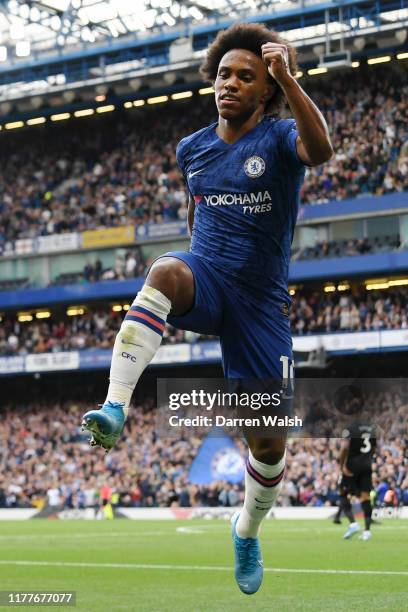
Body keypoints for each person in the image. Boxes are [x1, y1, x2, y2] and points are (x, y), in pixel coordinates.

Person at [82, 22, 333, 594]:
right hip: (210, 278)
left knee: (268, 446)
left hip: (261, 306)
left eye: (247, 76)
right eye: (224, 74)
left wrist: (290, 79)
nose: (231, 84)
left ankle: (245, 530)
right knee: (167, 269)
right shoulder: (190, 149)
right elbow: (197, 216)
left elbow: (321, 150)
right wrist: (197, 274)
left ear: (264, 89)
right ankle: (115, 407)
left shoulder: (278, 137)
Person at [338, 422, 376, 541]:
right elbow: (373, 448)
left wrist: (342, 466)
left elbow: (344, 447)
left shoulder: (350, 429)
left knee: (342, 493)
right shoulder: (371, 429)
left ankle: (353, 524)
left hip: (352, 466)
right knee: (366, 497)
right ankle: (367, 532)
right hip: (366, 466)